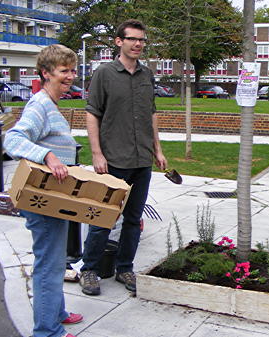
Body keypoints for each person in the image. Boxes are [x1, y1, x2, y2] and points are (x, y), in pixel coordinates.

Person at [79, 19, 167, 296]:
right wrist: (96, 153)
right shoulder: (104, 73)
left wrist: (158, 149)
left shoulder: (147, 75)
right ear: (119, 41)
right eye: (132, 39)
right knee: (103, 217)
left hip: (142, 160)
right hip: (114, 159)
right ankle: (89, 270)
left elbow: (152, 113)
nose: (138, 44)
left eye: (141, 40)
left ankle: (125, 267)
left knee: (133, 219)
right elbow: (92, 113)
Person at [4, 44, 83, 337]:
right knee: (49, 264)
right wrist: (47, 156)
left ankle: (57, 312)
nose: (70, 76)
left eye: (73, 70)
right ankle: (47, 331)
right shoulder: (39, 105)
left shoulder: (49, 103)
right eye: (64, 71)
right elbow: (12, 141)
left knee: (54, 258)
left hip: (54, 197)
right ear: (46, 73)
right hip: (42, 201)